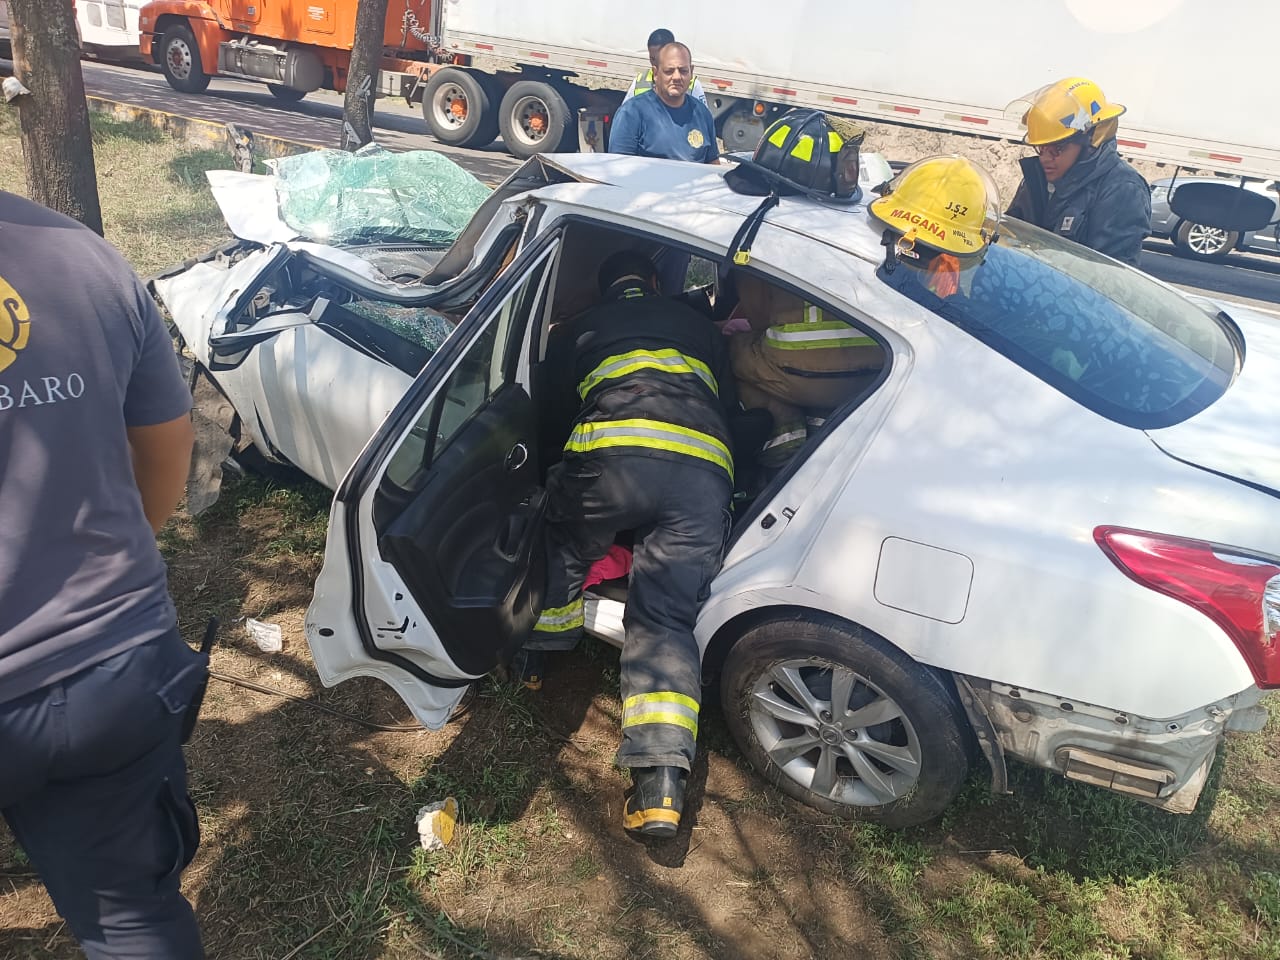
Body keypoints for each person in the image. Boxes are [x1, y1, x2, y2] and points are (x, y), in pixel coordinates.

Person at [0, 192, 204, 957]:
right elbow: (166, 447)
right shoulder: (84, 257)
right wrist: (114, 564)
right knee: (134, 924)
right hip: (114, 670)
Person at [520, 250, 736, 841]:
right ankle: (660, 784)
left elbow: (556, 418)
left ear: (604, 288)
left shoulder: (578, 330)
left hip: (609, 467)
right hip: (700, 478)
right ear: (655, 283)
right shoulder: (698, 325)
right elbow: (728, 404)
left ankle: (540, 657)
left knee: (564, 544)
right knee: (664, 618)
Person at [722, 110, 885, 464]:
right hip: (871, 373)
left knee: (731, 352)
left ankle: (785, 431)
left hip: (798, 364)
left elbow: (759, 319)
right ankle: (821, 418)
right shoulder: (862, 225)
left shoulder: (767, 231)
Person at [609, 42, 720, 295]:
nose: (677, 77)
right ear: (655, 72)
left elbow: (712, 167)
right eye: (669, 71)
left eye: (683, 70)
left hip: (684, 229)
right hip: (642, 227)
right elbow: (616, 174)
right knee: (638, 294)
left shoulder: (700, 113)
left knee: (672, 294)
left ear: (692, 72)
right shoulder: (633, 113)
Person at [1005, 76, 1151, 266]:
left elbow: (1111, 278)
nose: (1045, 158)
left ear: (1091, 138)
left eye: (1057, 148)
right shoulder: (1038, 180)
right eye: (1041, 148)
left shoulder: (1122, 190)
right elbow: (1008, 239)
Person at [622, 28, 708, 107]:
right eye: (652, 59)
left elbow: (701, 119)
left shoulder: (693, 85)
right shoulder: (639, 81)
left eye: (660, 59)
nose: (655, 63)